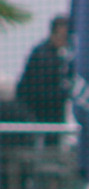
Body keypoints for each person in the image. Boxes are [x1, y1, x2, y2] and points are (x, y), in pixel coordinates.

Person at [16, 15, 72, 143]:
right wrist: (64, 93)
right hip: (38, 114)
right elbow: (40, 90)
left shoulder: (59, 56)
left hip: (50, 115)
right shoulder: (44, 56)